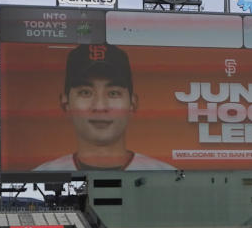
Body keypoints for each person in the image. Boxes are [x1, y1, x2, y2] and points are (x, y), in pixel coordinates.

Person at [35, 43, 174, 171]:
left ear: (133, 103)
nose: (100, 107)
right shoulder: (42, 175)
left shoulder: (168, 176)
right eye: (85, 92)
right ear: (65, 103)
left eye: (113, 93)